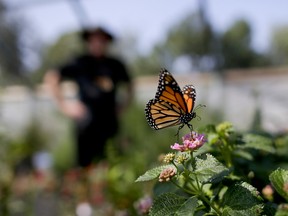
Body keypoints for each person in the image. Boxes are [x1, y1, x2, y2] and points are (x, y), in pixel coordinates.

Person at [44, 26, 132, 168]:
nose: (98, 43)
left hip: (109, 122)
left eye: (101, 40)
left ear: (106, 42)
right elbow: (52, 77)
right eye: (94, 40)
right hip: (86, 124)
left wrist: (123, 106)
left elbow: (130, 85)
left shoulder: (115, 65)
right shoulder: (80, 62)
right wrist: (65, 106)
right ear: (88, 42)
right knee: (85, 166)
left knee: (112, 163)